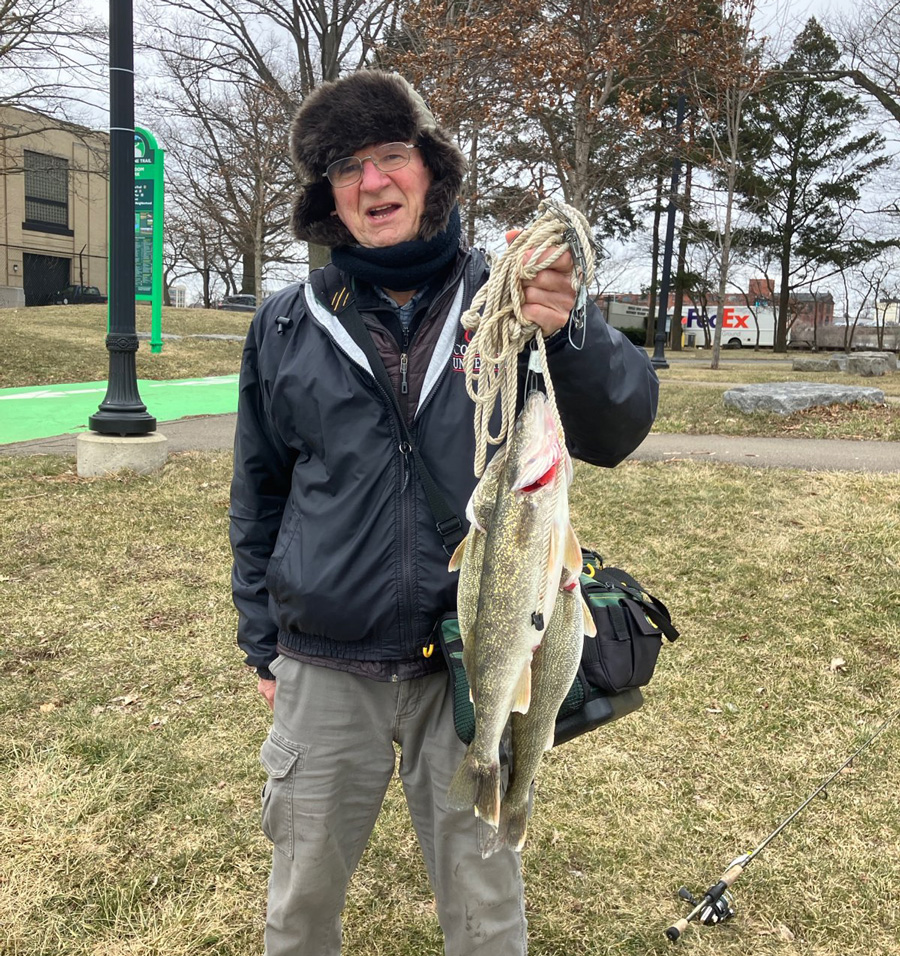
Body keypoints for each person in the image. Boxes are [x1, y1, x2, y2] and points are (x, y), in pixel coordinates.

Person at [230, 69, 659, 956]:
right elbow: (260, 491)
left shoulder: (508, 298)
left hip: (467, 661)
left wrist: (568, 328)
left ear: (431, 169)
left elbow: (619, 426)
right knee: (299, 905)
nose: (374, 183)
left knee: (484, 903)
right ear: (328, 199)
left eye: (392, 156)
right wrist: (261, 640)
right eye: (348, 168)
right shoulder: (284, 323)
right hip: (324, 663)